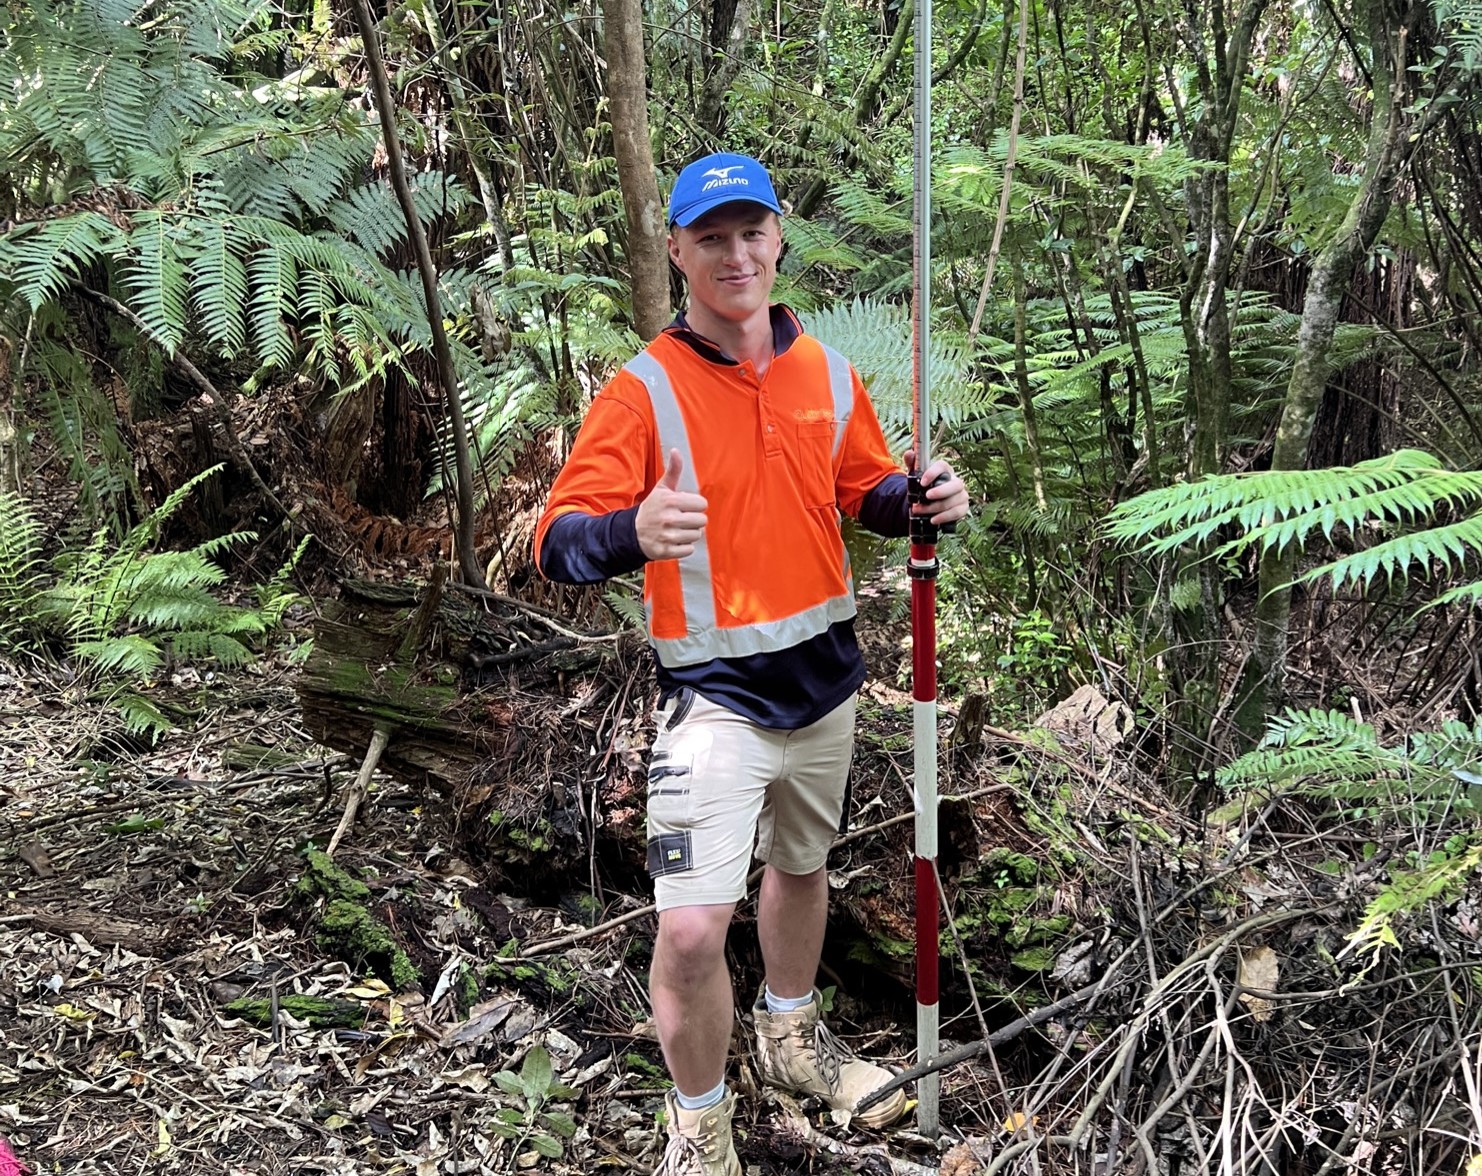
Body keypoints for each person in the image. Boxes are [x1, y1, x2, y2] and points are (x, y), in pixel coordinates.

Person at [534, 151, 970, 1176]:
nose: (735, 254)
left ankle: (791, 1040)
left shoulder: (826, 371)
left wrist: (924, 500)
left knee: (802, 869)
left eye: (751, 232)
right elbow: (555, 539)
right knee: (690, 931)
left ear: (778, 240)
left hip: (824, 681)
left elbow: (867, 489)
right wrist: (629, 531)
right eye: (712, 238)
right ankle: (700, 1127)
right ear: (677, 251)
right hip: (714, 697)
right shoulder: (644, 390)